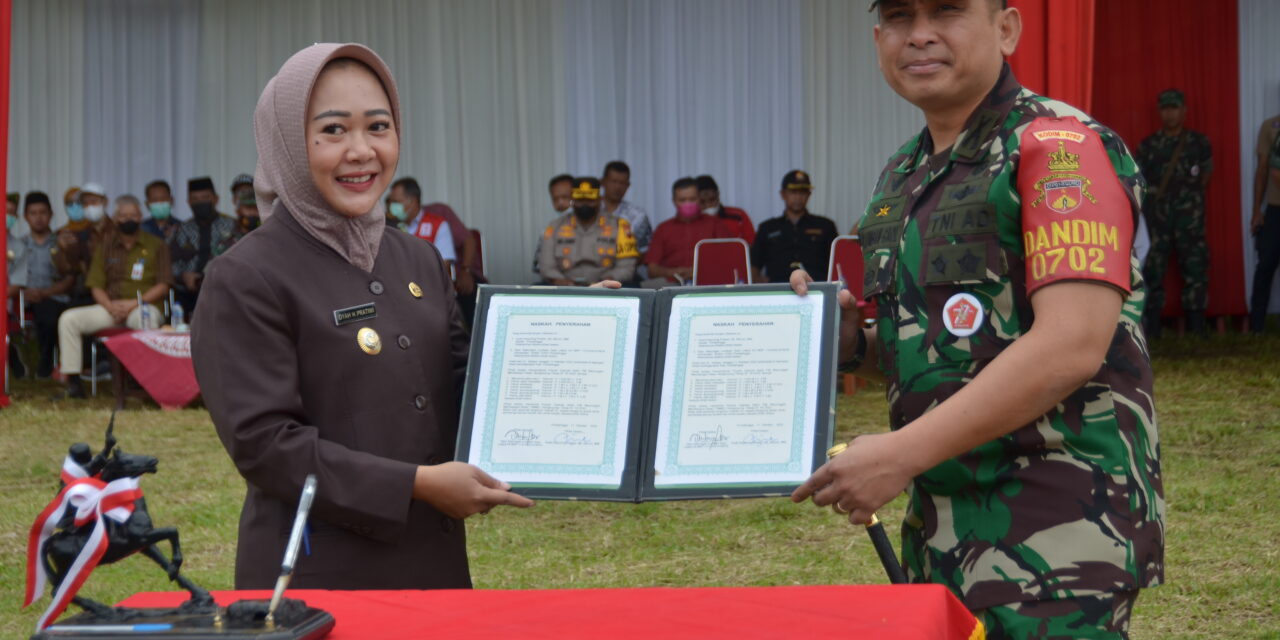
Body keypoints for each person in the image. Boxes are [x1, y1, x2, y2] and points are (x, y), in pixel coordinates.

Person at [788, 3, 1163, 639]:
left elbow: (1071, 343)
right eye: (899, 17)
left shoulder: (1059, 148)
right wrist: (852, 342)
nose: (920, 34)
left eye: (947, 10)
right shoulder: (903, 175)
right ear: (878, 39)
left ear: (1006, 29)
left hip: (1057, 530)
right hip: (943, 531)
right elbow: (945, 346)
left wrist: (899, 455)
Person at [191, 43, 535, 591]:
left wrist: (563, 329)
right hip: (318, 579)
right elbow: (266, 446)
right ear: (286, 142)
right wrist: (417, 485)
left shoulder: (417, 258)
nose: (361, 151)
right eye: (333, 130)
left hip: (435, 568)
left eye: (378, 126)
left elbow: (464, 386)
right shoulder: (245, 276)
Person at [57, 195, 171, 398]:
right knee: (69, 319)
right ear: (116, 218)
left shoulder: (157, 245)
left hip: (143, 305)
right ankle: (74, 383)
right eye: (123, 215)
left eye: (133, 215)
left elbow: (163, 285)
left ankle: (144, 381)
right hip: (110, 307)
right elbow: (96, 285)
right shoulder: (106, 246)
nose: (128, 219)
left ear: (140, 216)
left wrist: (133, 304)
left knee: (145, 320)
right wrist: (110, 307)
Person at [1136, 89, 1212, 337]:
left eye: (1174, 108)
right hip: (1157, 220)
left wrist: (1186, 199)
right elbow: (1139, 182)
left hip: (1190, 219)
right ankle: (1153, 328)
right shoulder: (1148, 146)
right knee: (1153, 270)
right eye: (1166, 109)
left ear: (1184, 110)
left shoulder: (1198, 143)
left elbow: (1205, 176)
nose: (1170, 114)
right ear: (1160, 112)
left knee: (1195, 268)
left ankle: (1196, 328)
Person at [10, 192, 74, 378]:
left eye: (43, 212)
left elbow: (70, 278)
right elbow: (9, 277)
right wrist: (23, 292)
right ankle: (26, 357)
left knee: (49, 313)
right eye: (33, 213)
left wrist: (45, 293)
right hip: (24, 299)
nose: (38, 218)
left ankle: (47, 359)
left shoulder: (61, 242)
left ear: (51, 214)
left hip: (55, 296)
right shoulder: (18, 245)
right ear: (25, 217)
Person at [537, 177, 639, 285]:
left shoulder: (620, 226)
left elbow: (626, 267)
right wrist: (562, 282)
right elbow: (546, 266)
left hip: (607, 287)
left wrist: (607, 281)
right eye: (580, 200)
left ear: (599, 200)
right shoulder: (554, 227)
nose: (584, 204)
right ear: (573, 200)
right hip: (565, 287)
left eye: (590, 200)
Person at [643, 177, 735, 285]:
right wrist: (674, 272)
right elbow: (652, 270)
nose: (688, 204)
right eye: (682, 200)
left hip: (709, 282)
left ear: (699, 198)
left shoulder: (716, 224)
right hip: (672, 284)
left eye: (692, 199)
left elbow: (729, 260)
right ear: (674, 201)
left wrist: (698, 271)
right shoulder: (663, 229)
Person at [751, 170, 838, 283]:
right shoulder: (767, 228)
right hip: (778, 288)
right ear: (783, 194)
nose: (798, 197)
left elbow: (838, 264)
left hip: (817, 288)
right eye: (793, 192)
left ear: (809, 194)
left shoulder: (826, 226)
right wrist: (763, 284)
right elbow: (753, 267)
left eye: (802, 192)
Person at [170, 177, 238, 315]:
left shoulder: (232, 226)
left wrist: (209, 277)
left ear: (216, 199)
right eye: (195, 199)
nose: (200, 202)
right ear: (189, 202)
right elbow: (172, 262)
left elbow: (237, 261)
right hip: (188, 292)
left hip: (222, 290)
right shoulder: (182, 229)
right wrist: (183, 276)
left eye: (205, 197)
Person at [1249, 110, 1280, 334]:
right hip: (1275, 207)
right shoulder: (1271, 126)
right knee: (1266, 264)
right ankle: (1257, 326)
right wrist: (1256, 211)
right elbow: (1263, 169)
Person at [601, 161, 653, 254]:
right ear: (603, 182)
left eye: (622, 183)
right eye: (613, 181)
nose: (617, 187)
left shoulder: (638, 216)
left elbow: (645, 250)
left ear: (628, 185)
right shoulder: (588, 210)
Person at [695, 175, 755, 244]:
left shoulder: (738, 215)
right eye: (702, 202)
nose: (708, 205)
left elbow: (752, 243)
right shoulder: (692, 221)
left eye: (712, 199)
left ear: (718, 194)